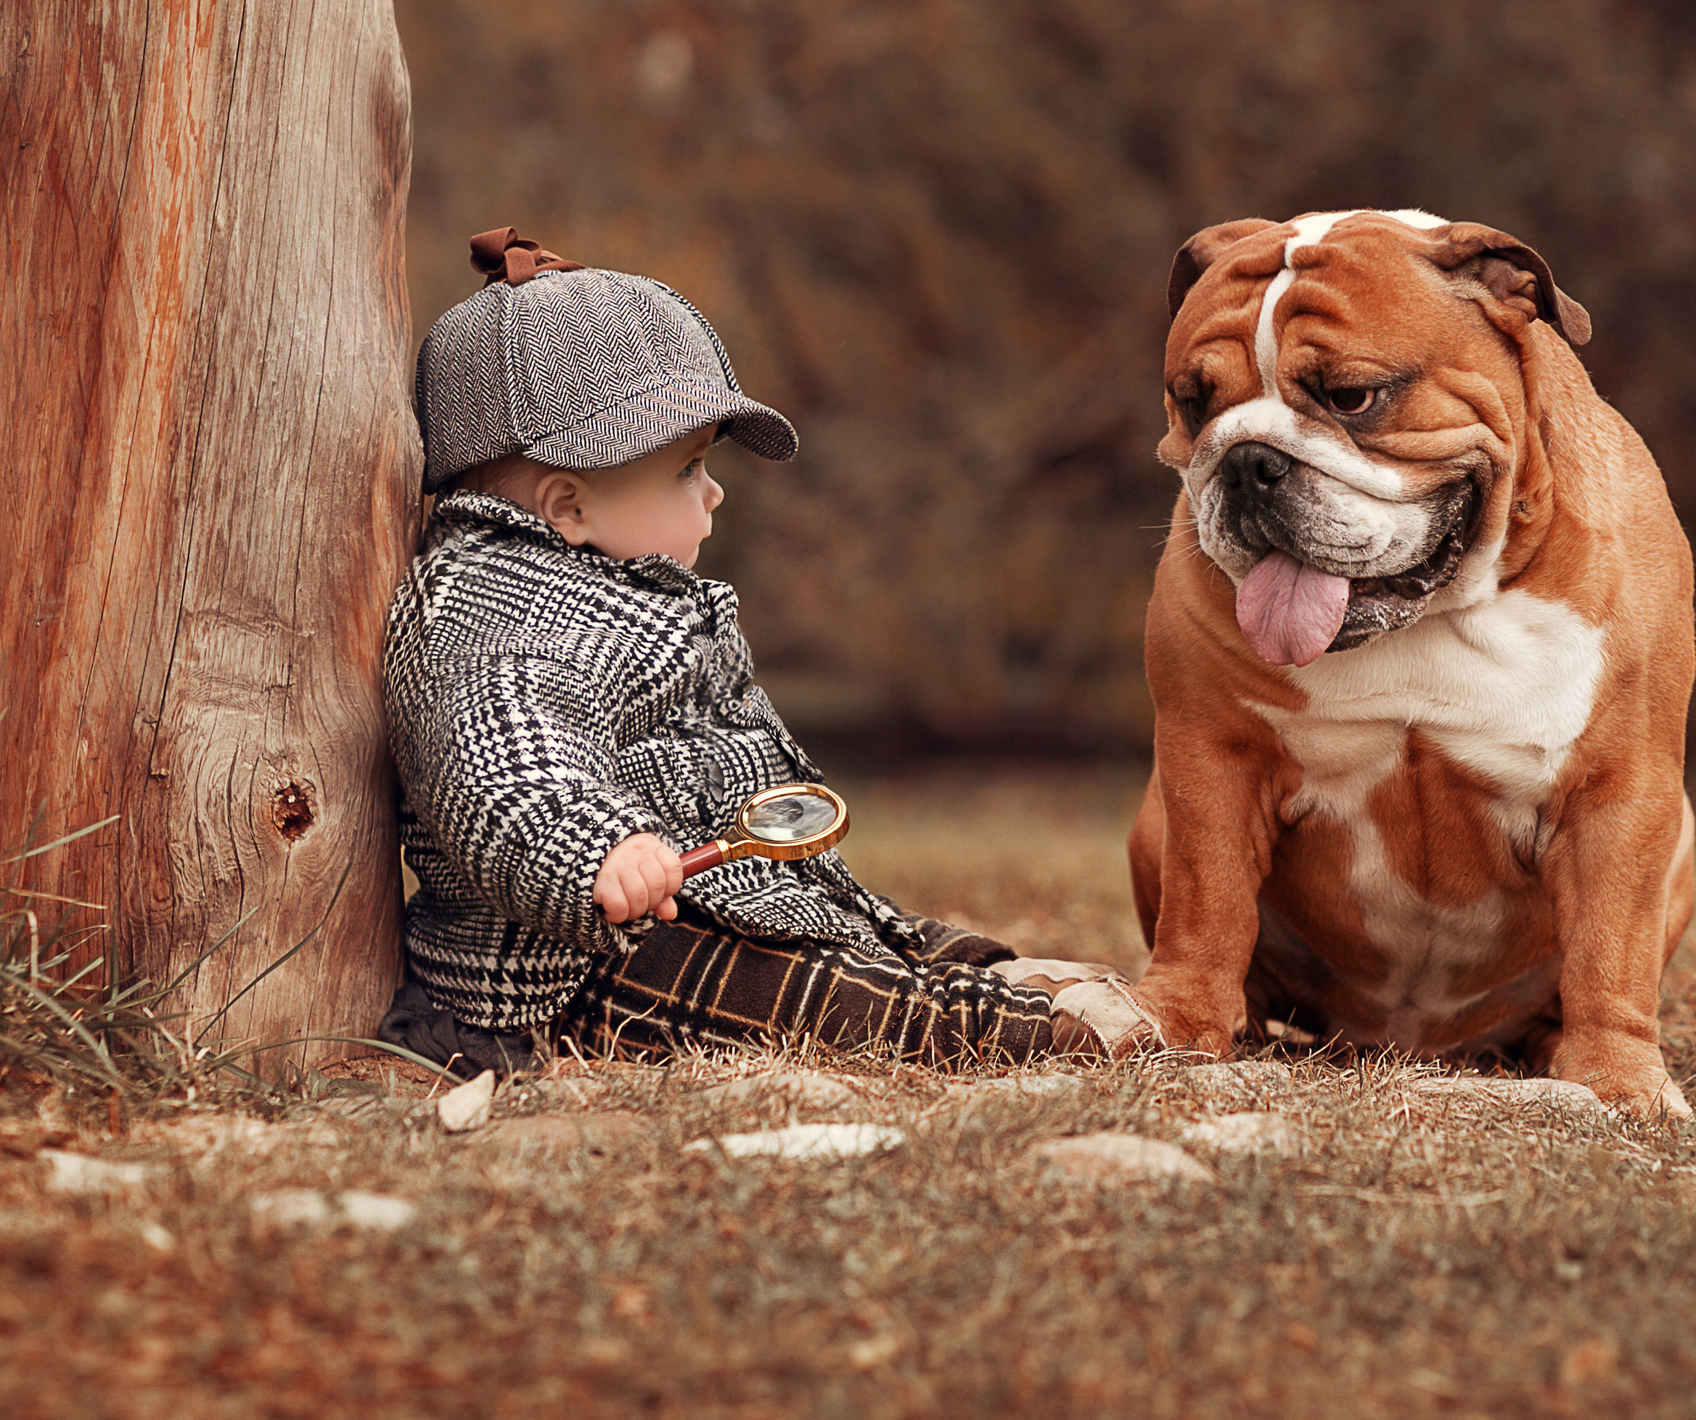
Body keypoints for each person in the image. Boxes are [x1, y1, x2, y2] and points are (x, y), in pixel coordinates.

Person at [376, 228, 1159, 1077]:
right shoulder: (491, 612)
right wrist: (597, 847)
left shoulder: (601, 581)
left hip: (706, 890)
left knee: (849, 921)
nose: (713, 492)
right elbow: (501, 757)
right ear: (567, 505)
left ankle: (973, 966)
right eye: (687, 469)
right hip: (578, 968)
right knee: (804, 994)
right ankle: (1007, 1026)